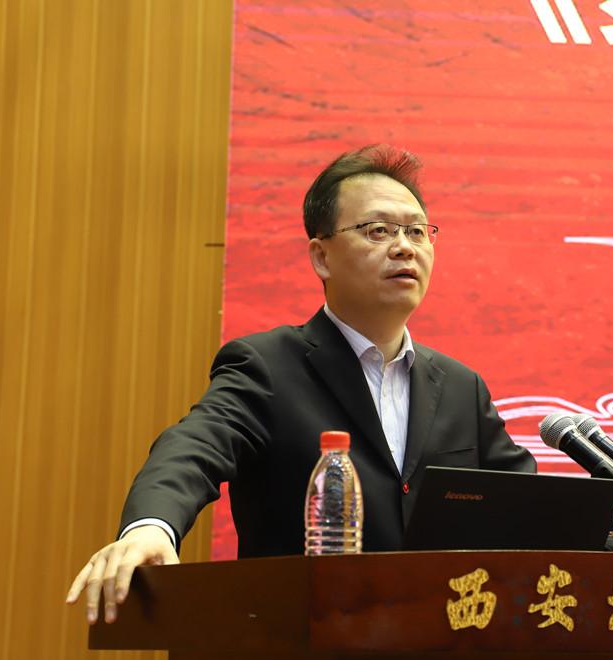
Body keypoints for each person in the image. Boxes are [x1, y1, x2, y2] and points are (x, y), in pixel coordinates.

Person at [65, 145, 537, 624]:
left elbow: (532, 505)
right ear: (321, 256)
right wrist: (151, 527)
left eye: (417, 231)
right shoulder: (268, 365)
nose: (404, 247)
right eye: (378, 230)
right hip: (302, 634)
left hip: (439, 639)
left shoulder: (460, 387)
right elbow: (193, 449)